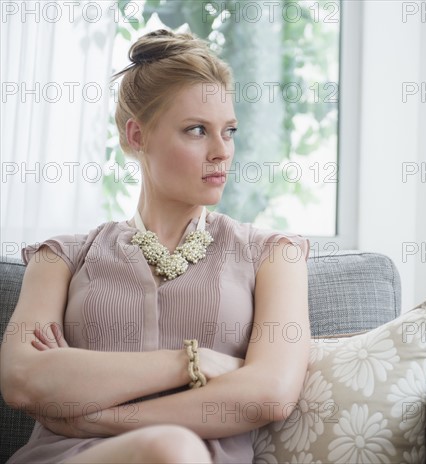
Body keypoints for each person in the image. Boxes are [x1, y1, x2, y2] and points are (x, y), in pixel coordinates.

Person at [0, 29, 310, 464]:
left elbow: (270, 394)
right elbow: (22, 380)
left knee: (172, 449)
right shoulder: (61, 258)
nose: (223, 151)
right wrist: (194, 362)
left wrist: (99, 416)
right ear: (137, 135)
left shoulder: (274, 255)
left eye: (230, 131)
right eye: (197, 130)